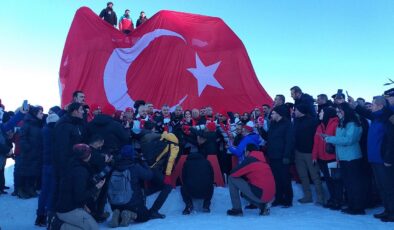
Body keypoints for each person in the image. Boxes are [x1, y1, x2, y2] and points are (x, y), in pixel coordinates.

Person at [349, 95, 394, 221]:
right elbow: (365, 112)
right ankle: (387, 210)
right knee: (381, 187)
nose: (371, 107)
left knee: (389, 187)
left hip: (384, 159)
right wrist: (355, 105)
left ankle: (393, 212)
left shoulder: (387, 118)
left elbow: (392, 140)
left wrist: (389, 159)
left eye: (373, 104)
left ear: (380, 106)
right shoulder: (376, 116)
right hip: (374, 158)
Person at [324, 103, 366, 215]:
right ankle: (352, 205)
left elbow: (348, 140)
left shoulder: (353, 123)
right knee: (348, 183)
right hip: (344, 157)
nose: (337, 113)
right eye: (337, 111)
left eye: (339, 111)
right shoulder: (343, 123)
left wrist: (330, 139)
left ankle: (358, 207)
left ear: (345, 111)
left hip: (352, 157)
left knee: (354, 183)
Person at [55, 144, 104, 230]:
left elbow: (72, 189)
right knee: (93, 228)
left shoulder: (71, 164)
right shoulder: (80, 171)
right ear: (87, 156)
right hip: (68, 209)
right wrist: (96, 187)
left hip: (65, 204)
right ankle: (58, 226)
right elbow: (79, 196)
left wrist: (83, 205)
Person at [108, 145, 153, 227]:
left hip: (115, 202)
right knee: (145, 216)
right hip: (132, 203)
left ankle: (117, 213)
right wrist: (143, 162)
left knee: (120, 211)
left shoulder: (114, 166)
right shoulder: (134, 167)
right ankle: (130, 214)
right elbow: (149, 176)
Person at [226, 144, 275, 216]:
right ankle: (263, 206)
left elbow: (234, 173)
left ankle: (237, 210)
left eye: (244, 151)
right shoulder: (262, 160)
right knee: (244, 194)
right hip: (270, 195)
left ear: (248, 152)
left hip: (261, 193)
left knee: (231, 178)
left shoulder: (250, 159)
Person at [262, 104, 294, 208]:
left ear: (279, 114)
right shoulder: (273, 124)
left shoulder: (287, 124)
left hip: (282, 156)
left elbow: (289, 141)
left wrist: (286, 156)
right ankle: (278, 198)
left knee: (285, 178)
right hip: (273, 155)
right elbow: (269, 137)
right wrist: (260, 130)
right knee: (276, 178)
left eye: (273, 113)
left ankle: (288, 199)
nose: (271, 115)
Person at [35, 107, 60, 227]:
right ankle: (49, 215)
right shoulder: (56, 132)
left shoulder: (43, 130)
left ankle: (40, 216)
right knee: (52, 191)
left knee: (44, 190)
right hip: (54, 164)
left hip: (45, 164)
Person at [293, 104, 323, 204]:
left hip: (310, 152)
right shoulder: (296, 121)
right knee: (303, 176)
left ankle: (320, 197)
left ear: (301, 110)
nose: (294, 112)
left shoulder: (312, 121)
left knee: (314, 176)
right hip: (298, 152)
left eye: (296, 110)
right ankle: (307, 196)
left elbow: (317, 136)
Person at [312, 107, 340, 209]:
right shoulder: (320, 126)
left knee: (335, 181)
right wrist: (314, 156)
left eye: (322, 112)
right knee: (328, 180)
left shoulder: (335, 124)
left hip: (332, 157)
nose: (319, 113)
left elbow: (337, 141)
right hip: (322, 158)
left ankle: (338, 200)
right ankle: (333, 198)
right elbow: (316, 142)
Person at [19, 106, 44, 199]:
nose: (42, 114)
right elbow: (23, 138)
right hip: (29, 153)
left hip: (36, 152)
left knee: (33, 172)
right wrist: (28, 148)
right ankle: (23, 190)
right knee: (26, 172)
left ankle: (31, 189)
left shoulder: (39, 123)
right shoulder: (28, 123)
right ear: (35, 113)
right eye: (40, 113)